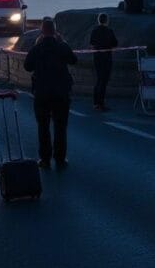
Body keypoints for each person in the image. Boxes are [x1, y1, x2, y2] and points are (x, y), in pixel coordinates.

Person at [24, 18, 78, 168]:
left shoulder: (37, 48)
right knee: (60, 127)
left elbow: (27, 66)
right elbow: (73, 60)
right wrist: (64, 42)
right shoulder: (61, 46)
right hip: (61, 92)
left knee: (43, 126)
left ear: (42, 31)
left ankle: (45, 159)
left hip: (42, 92)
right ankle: (60, 159)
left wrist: (36, 47)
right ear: (55, 31)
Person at [89, 13, 118, 111]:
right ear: (106, 20)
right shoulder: (109, 31)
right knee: (104, 81)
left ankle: (95, 102)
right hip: (107, 58)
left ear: (99, 20)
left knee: (98, 80)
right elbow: (115, 43)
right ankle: (101, 104)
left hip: (97, 57)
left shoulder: (94, 30)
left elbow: (91, 42)